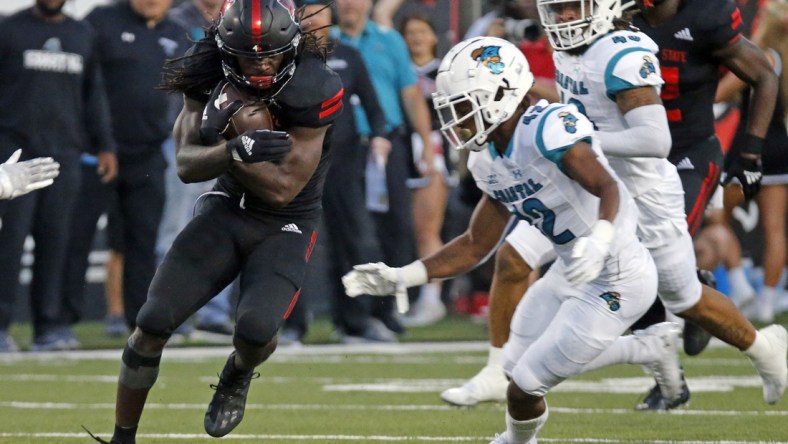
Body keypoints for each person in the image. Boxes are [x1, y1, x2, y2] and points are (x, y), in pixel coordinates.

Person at [342, 36, 682, 444]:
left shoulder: (547, 128)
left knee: (524, 384)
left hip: (619, 275)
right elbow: (474, 243)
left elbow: (609, 187)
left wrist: (603, 237)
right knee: (512, 367)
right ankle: (641, 352)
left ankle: (638, 354)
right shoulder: (488, 158)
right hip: (571, 273)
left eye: (464, 106)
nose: (456, 121)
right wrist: (405, 276)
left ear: (501, 95)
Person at [86, 0, 342, 442]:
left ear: (291, 46)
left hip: (286, 221)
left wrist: (229, 139)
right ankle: (121, 438)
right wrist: (231, 150)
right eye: (248, 53)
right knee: (151, 322)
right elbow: (186, 165)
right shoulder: (205, 71)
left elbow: (283, 188)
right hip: (228, 207)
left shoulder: (316, 84)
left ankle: (238, 372)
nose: (260, 64)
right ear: (226, 49)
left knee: (256, 330)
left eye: (270, 53)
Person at [0, 0, 115, 352]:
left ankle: (49, 327)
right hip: (12, 153)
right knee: (8, 245)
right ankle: (1, 327)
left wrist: (105, 145)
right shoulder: (9, 29)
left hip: (62, 155)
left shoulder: (81, 33)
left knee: (57, 243)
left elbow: (93, 94)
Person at [84, 0, 189, 330]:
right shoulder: (100, 21)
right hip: (97, 152)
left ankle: (140, 321)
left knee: (144, 241)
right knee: (74, 236)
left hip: (148, 153)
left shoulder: (178, 34)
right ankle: (54, 324)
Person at [294, 0, 394, 344]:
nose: (313, 20)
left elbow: (375, 109)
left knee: (352, 241)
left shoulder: (348, 55)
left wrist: (381, 135)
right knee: (292, 243)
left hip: (344, 162)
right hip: (297, 165)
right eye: (306, 13)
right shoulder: (283, 58)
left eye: (319, 11)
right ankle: (289, 325)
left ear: (330, 16)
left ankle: (354, 321)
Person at [334, 0, 435, 337]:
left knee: (397, 228)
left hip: (387, 144)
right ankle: (354, 315)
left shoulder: (389, 39)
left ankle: (388, 309)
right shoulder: (327, 41)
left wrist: (425, 146)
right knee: (352, 232)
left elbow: (410, 94)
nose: (350, 4)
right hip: (343, 146)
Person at [165, 0, 235, 340]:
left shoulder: (241, 18)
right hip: (185, 135)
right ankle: (168, 312)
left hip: (231, 135)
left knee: (223, 225)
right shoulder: (174, 21)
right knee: (176, 228)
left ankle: (214, 314)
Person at [716, 0, 788, 323]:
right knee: (775, 230)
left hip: (748, 148)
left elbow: (720, 93)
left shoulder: (760, 57)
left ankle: (740, 284)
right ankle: (767, 302)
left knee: (716, 218)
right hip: (780, 149)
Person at [398, 12, 457, 327]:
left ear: (435, 37)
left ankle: (432, 299)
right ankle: (410, 295)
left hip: (433, 148)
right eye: (410, 32)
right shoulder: (401, 69)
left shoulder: (446, 72)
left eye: (422, 31)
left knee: (427, 229)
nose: (416, 38)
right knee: (405, 230)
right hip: (399, 151)